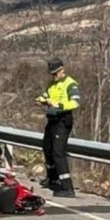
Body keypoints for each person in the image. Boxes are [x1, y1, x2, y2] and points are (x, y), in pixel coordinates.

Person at [35, 57, 81, 198]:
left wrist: (58, 106)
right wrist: (42, 101)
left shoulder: (70, 84)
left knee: (58, 153)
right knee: (47, 149)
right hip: (52, 120)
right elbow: (43, 97)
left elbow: (75, 103)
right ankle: (52, 179)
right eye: (52, 74)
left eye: (56, 73)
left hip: (63, 120)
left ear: (62, 70)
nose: (53, 76)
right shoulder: (51, 84)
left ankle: (67, 187)